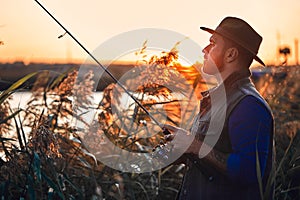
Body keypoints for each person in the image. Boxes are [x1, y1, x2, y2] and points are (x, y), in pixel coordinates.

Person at [162, 16, 275, 199]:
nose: (204, 49)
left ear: (231, 54)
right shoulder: (217, 99)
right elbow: (213, 157)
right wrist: (185, 151)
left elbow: (250, 172)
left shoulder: (248, 105)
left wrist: (193, 145)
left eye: (213, 43)